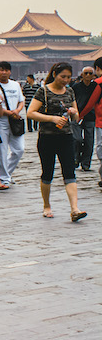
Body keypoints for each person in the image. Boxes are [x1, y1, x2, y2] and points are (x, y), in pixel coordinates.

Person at [27, 63, 86, 222]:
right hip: (47, 137)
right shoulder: (43, 91)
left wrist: (73, 113)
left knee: (69, 171)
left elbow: (77, 117)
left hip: (66, 137)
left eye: (68, 77)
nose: (66, 80)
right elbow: (30, 113)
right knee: (48, 172)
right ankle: (47, 205)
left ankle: (74, 209)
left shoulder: (70, 91)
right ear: (54, 74)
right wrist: (52, 118)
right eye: (63, 77)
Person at [0, 62, 25, 188]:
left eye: (6, 70)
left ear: (10, 72)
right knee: (2, 151)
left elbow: (21, 100)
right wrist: (9, 113)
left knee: (19, 149)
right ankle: (4, 178)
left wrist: (17, 111)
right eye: (1, 70)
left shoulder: (15, 84)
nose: (4, 72)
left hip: (15, 120)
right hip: (1, 121)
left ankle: (6, 173)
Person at [77, 57, 102, 188]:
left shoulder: (97, 84)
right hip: (90, 118)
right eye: (86, 73)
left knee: (95, 144)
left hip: (96, 119)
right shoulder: (78, 86)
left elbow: (90, 104)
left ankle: (91, 167)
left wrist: (80, 115)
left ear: (97, 69)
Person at [71, 66, 96, 171]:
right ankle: (76, 158)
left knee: (89, 141)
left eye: (90, 73)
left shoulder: (96, 86)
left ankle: (86, 163)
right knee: (77, 139)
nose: (88, 75)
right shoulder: (76, 87)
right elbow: (71, 100)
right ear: (82, 74)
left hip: (91, 116)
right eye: (86, 73)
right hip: (77, 116)